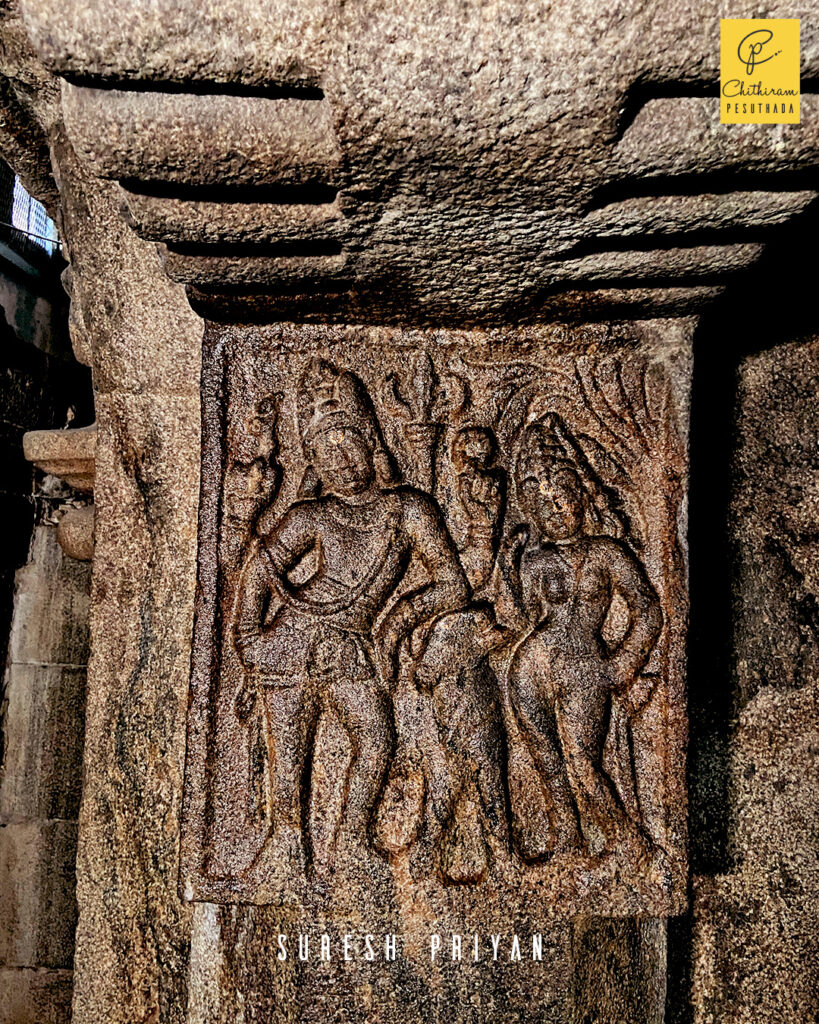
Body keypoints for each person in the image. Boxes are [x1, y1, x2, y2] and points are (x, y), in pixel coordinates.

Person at [232, 358, 469, 876]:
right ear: (312, 461)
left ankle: (353, 839)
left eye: (345, 443)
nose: (337, 459)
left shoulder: (409, 510)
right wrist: (248, 636)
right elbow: (257, 573)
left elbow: (454, 583)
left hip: (350, 643)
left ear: (371, 442)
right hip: (290, 638)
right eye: (322, 451)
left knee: (377, 738)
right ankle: (286, 846)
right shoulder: (309, 515)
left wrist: (401, 615)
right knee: (289, 750)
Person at [499, 413, 662, 861]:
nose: (558, 510)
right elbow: (517, 620)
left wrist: (621, 666)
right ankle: (568, 843)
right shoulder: (535, 559)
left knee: (583, 767)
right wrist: (508, 569)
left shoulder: (607, 553)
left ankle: (634, 850)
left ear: (581, 497)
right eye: (544, 505)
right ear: (532, 513)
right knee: (549, 766)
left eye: (564, 497)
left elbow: (648, 609)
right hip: (529, 669)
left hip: (586, 668)